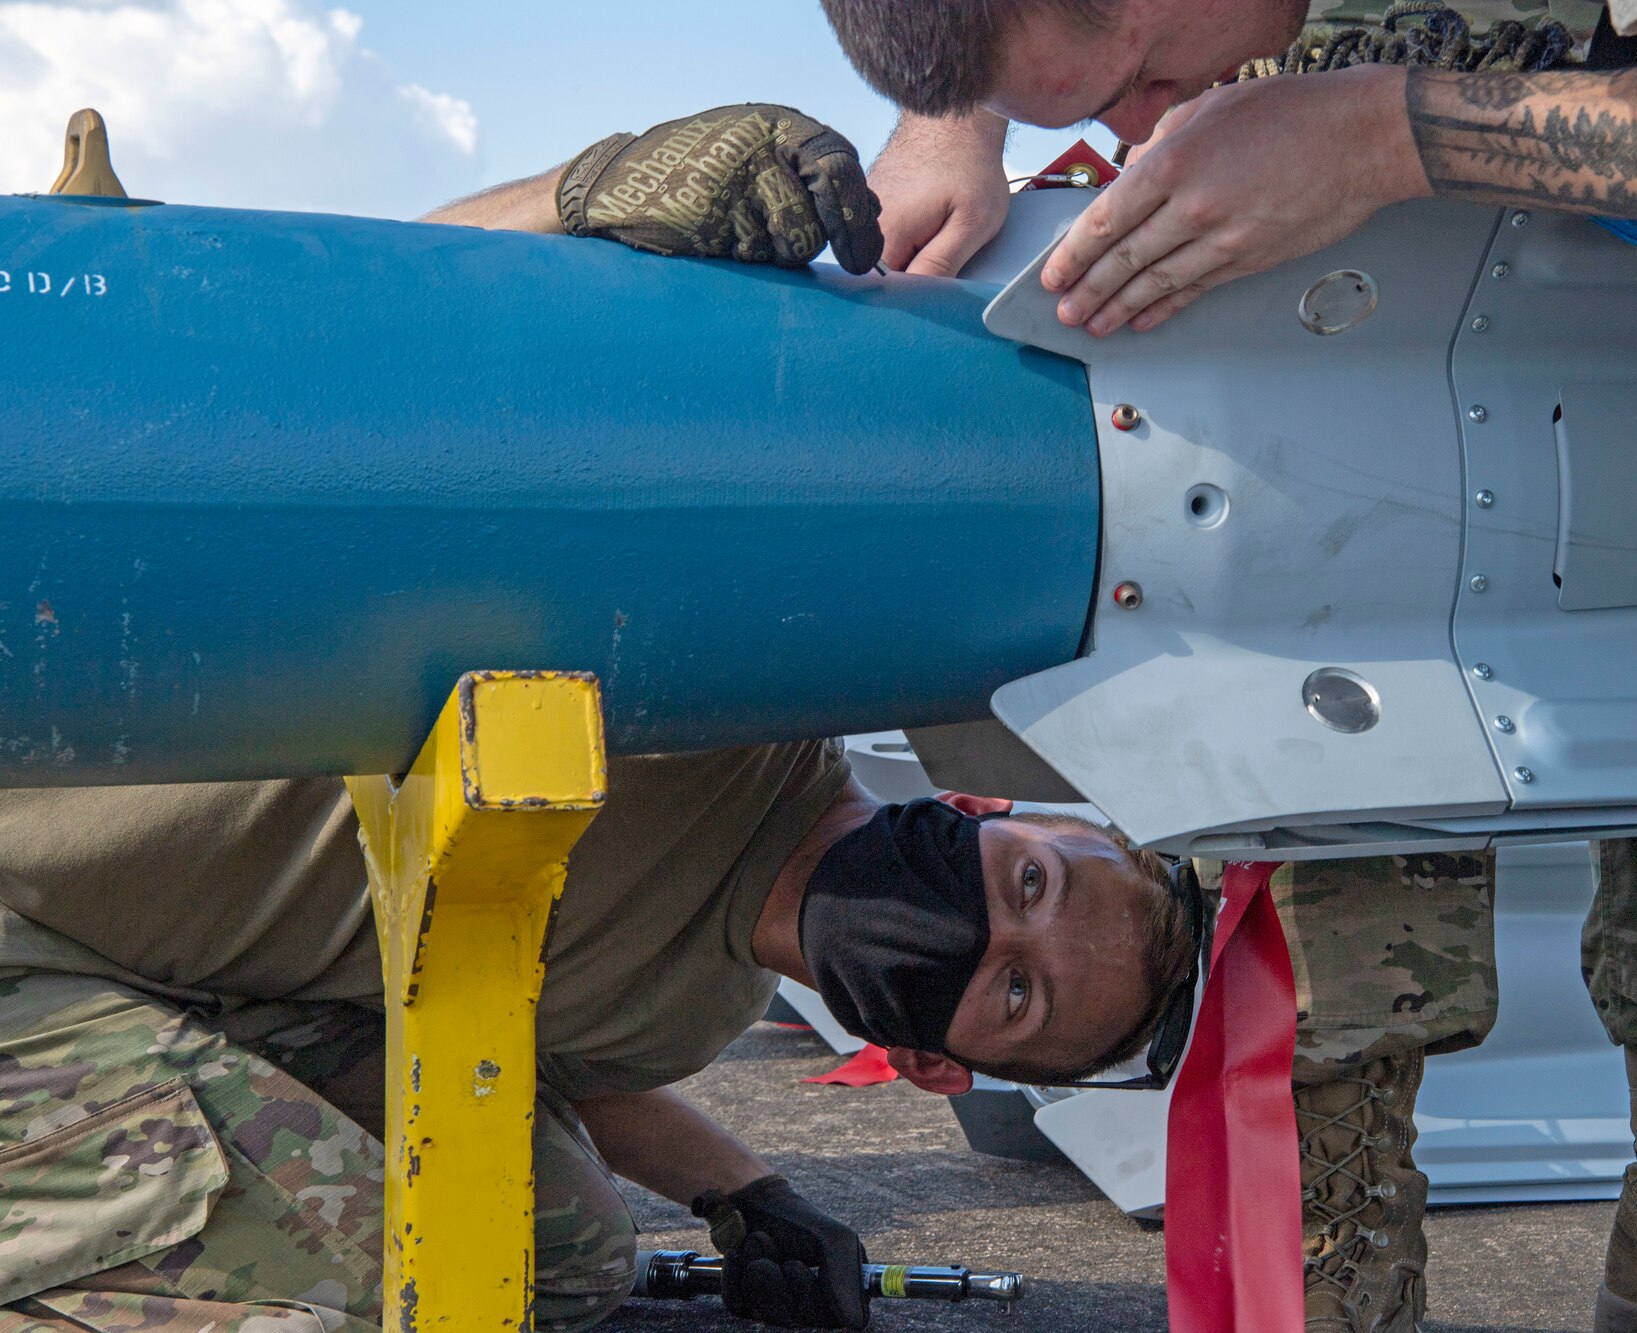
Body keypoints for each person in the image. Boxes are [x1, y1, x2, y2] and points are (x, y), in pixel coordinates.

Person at [814, 3, 1637, 1331]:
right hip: (1309, 325)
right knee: (1322, 1015)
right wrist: (946, 124)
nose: (1141, 128)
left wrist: (1377, 135)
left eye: (1141, 77)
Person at [0, 107, 1204, 1333]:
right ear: (989, 813)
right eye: (1032, 886)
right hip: (19, 898)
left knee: (565, 1262)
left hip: (116, 967)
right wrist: (583, 197)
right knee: (375, 1283)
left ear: (934, 1066)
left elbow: (543, 1056)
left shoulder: (692, 1014)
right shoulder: (740, 691)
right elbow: (358, 358)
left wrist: (745, 1191)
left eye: (1012, 994)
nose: (989, 924)